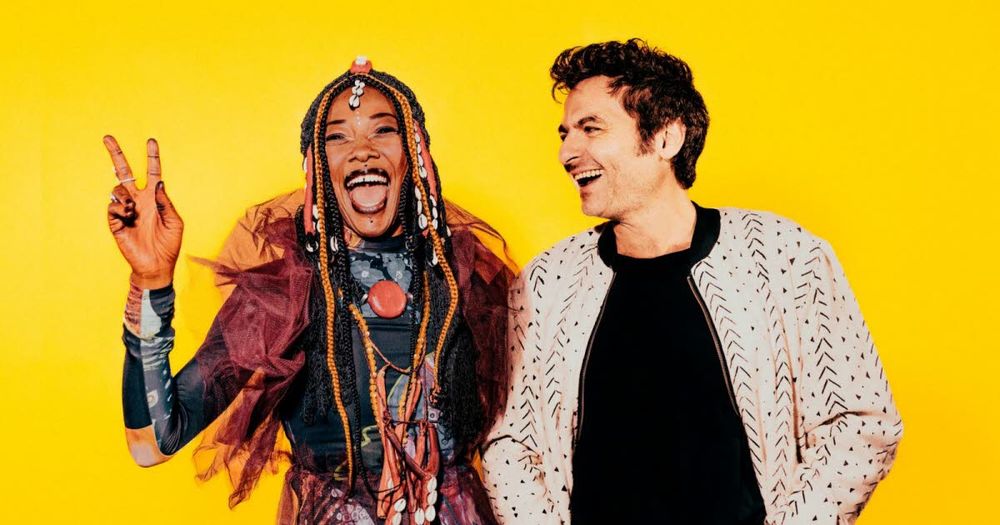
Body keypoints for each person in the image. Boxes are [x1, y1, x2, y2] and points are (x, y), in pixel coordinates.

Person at [481, 39, 902, 524]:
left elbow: (861, 423)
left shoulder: (785, 255)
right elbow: (508, 443)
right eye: (564, 133)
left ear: (666, 138)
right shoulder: (547, 282)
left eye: (590, 128)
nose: (566, 152)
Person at [106, 57, 515, 525]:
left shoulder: (466, 278)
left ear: (415, 152)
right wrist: (151, 284)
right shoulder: (285, 293)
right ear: (316, 167)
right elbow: (152, 443)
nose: (362, 151)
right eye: (338, 137)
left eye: (383, 130)